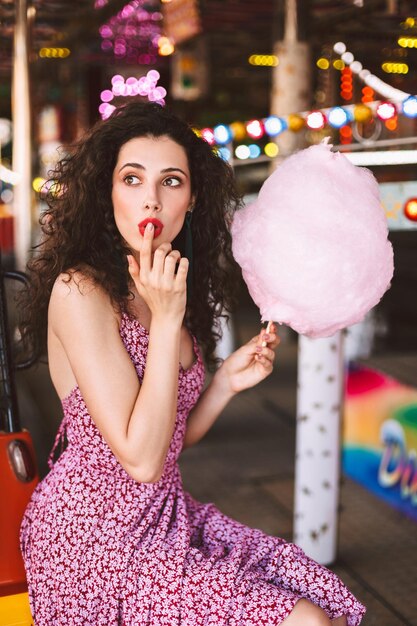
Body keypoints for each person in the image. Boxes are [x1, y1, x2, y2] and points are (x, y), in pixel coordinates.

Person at [19, 101, 365, 626]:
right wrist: (164, 319)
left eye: (171, 181)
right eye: (131, 179)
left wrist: (224, 384)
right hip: (93, 538)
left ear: (194, 196)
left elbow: (171, 436)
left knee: (318, 593)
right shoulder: (81, 290)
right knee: (305, 622)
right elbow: (140, 458)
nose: (150, 199)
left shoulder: (173, 285)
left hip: (167, 516)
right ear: (105, 191)